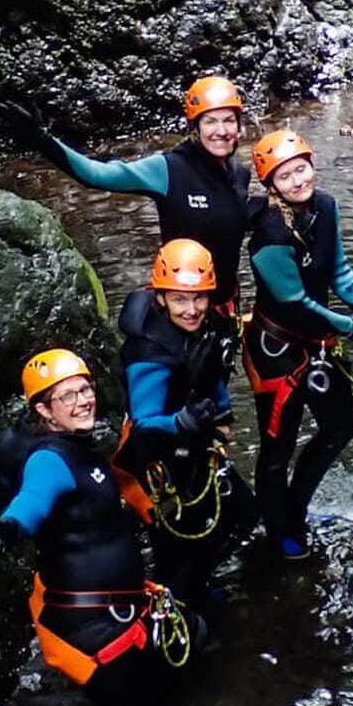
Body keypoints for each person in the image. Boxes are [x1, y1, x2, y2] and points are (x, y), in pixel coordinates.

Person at [0, 348, 188, 706]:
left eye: (86, 390)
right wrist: (12, 526)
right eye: (68, 396)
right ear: (44, 411)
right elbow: (34, 497)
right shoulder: (50, 459)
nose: (84, 401)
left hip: (114, 610)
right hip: (87, 627)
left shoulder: (81, 446)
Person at [2, 76, 251, 324]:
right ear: (195, 127)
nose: (221, 131)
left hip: (224, 308)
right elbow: (96, 174)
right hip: (181, 312)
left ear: (239, 124)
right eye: (210, 122)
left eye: (229, 120)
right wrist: (44, 141)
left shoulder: (239, 175)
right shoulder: (169, 169)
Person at [111, 239, 257, 611]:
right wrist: (182, 422)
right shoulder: (149, 353)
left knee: (242, 514)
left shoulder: (203, 330)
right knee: (180, 552)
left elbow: (210, 378)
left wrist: (221, 420)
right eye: (179, 300)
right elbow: (144, 424)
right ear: (160, 298)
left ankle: (197, 588)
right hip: (155, 463)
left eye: (199, 299)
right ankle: (176, 616)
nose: (191, 310)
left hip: (191, 447)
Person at [242, 130, 353, 561]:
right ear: (270, 185)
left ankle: (295, 505)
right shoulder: (269, 233)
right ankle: (278, 528)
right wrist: (352, 327)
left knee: (340, 426)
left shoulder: (326, 206)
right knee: (278, 445)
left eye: (301, 169)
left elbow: (339, 270)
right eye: (284, 176)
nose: (297, 181)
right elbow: (296, 301)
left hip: (317, 340)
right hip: (276, 346)